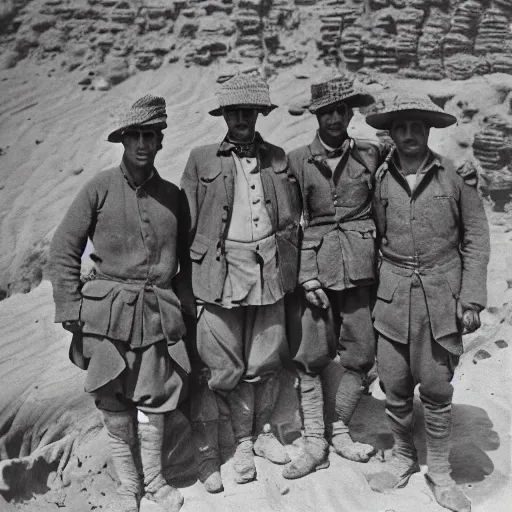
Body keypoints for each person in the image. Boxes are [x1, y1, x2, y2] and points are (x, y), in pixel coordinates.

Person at [49, 95, 193, 512]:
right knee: (112, 398)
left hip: (157, 315)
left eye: (151, 135)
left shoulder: (172, 195)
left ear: (160, 140)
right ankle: (128, 488)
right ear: (123, 140)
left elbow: (184, 260)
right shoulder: (98, 188)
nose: (143, 144)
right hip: (105, 315)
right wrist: (71, 309)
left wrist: (184, 311)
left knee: (154, 398)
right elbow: (63, 250)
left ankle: (155, 482)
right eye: (135, 136)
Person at [365, 94, 490, 512]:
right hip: (393, 294)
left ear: (429, 130)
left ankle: (439, 470)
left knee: (436, 386)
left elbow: (475, 240)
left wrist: (470, 298)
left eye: (416, 126)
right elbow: (375, 234)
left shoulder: (455, 177)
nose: (408, 135)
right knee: (394, 383)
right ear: (391, 133)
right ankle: (403, 456)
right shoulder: (380, 179)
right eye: (400, 128)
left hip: (441, 295)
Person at [180, 74, 302, 486]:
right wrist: (185, 285)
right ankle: (231, 445)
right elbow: (187, 225)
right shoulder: (201, 159)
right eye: (234, 112)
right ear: (225, 116)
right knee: (222, 363)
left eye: (248, 112)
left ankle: (259, 435)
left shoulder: (279, 157)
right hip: (219, 272)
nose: (242, 119)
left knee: (264, 359)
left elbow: (293, 215)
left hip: (270, 267)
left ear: (258, 114)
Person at [283, 74, 383, 479]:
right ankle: (314, 441)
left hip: (361, 270)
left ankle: (339, 428)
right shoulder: (297, 160)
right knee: (310, 356)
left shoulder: (371, 155)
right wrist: (306, 276)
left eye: (340, 110)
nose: (334, 118)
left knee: (361, 355)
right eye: (326, 112)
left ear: (349, 112)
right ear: (317, 116)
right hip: (318, 273)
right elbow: (292, 224)